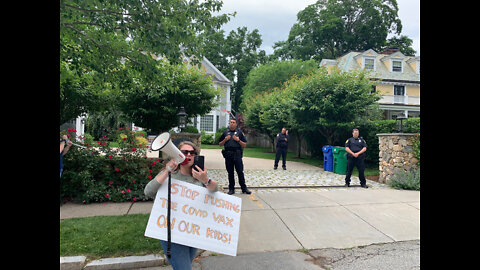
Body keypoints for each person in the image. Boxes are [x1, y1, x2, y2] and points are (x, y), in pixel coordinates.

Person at [144, 140, 218, 270]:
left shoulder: (200, 174)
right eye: (184, 152)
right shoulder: (169, 174)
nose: (188, 155)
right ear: (177, 154)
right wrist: (167, 171)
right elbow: (148, 191)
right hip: (172, 234)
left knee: (185, 265)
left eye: (192, 153)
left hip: (192, 231)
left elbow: (215, 190)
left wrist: (205, 179)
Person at [218, 118, 251, 195]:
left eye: (233, 122)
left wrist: (238, 140)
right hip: (228, 155)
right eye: (230, 122)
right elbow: (220, 144)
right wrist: (225, 140)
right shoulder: (226, 132)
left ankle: (244, 188)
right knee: (230, 172)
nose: (232, 123)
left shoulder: (239, 133)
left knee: (240, 171)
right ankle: (231, 188)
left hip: (237, 154)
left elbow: (245, 145)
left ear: (236, 124)